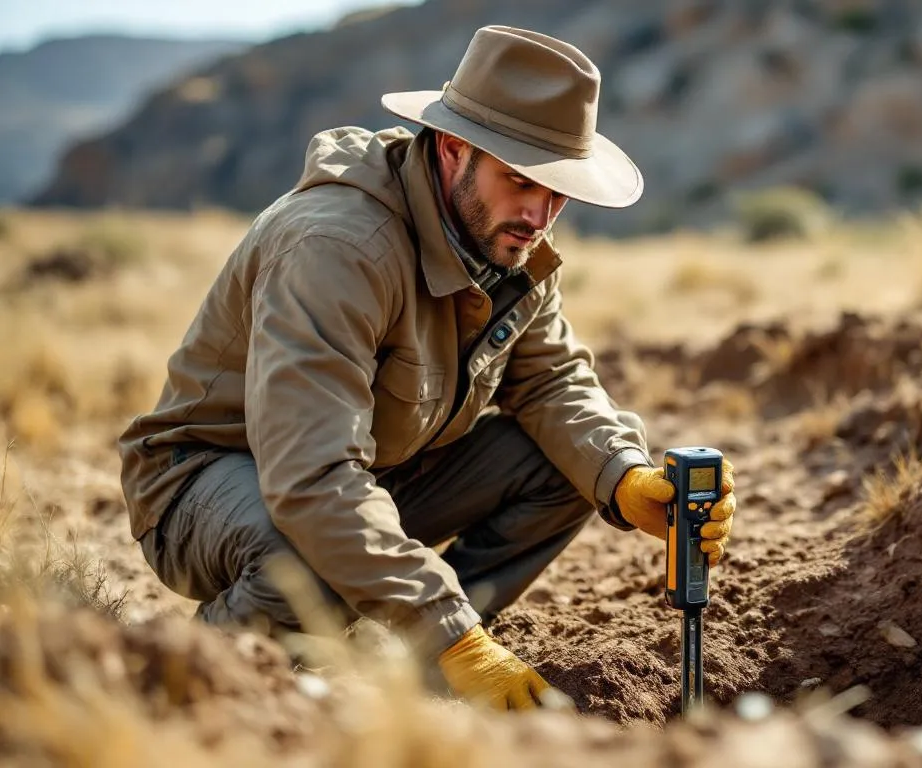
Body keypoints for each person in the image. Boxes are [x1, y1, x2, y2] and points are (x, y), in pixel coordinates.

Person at [117, 25, 738, 711]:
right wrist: (454, 634)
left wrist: (625, 478)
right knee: (307, 559)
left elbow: (553, 379)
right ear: (452, 149)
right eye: (521, 180)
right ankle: (191, 678)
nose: (540, 214)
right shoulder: (338, 246)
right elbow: (311, 477)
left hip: (368, 472)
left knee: (583, 456)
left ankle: (412, 658)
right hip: (209, 482)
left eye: (558, 190)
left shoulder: (510, 237)